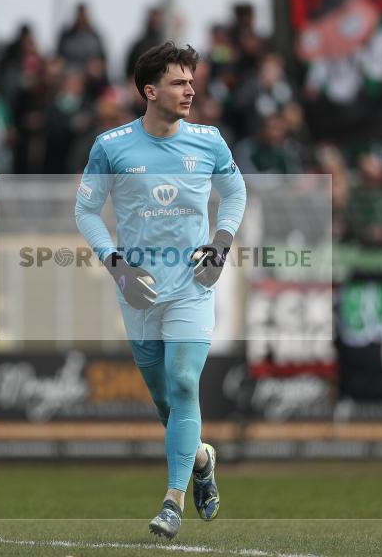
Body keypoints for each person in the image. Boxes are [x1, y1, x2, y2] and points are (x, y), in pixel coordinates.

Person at [75, 42, 246, 539]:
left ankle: (172, 503)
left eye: (191, 80)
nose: (190, 88)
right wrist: (116, 265)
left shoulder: (209, 141)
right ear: (150, 91)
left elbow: (236, 192)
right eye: (178, 81)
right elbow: (85, 210)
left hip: (193, 285)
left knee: (184, 383)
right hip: (138, 291)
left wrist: (220, 243)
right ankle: (200, 458)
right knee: (165, 399)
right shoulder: (112, 146)